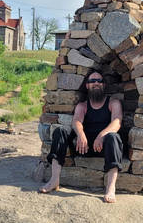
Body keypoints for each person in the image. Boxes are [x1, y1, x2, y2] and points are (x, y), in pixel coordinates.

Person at [39, 71, 123, 203]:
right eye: (92, 81)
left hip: (103, 148)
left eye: (99, 81)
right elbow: (76, 121)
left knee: (113, 137)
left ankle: (111, 188)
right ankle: (54, 180)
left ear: (104, 85)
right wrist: (81, 134)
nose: (96, 83)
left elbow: (117, 121)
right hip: (82, 147)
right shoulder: (82, 105)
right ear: (87, 86)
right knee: (59, 131)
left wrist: (101, 135)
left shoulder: (113, 103)